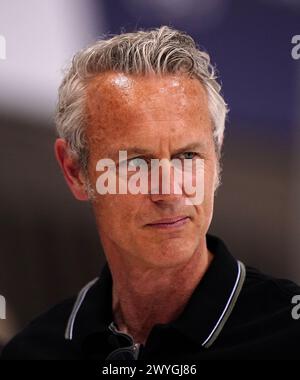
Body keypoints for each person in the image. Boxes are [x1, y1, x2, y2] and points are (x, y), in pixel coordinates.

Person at [1, 26, 300, 360]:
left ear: (217, 158)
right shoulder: (32, 353)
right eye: (136, 163)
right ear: (75, 171)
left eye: (188, 156)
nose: (169, 191)